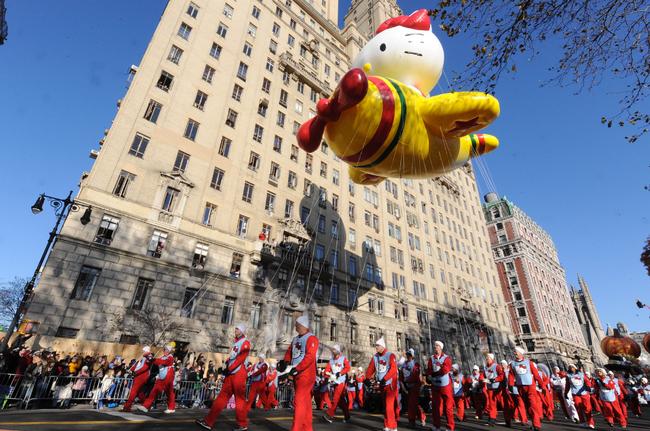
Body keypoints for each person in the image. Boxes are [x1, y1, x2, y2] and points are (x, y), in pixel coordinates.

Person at [195, 324, 250, 431]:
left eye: (238, 329)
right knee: (221, 398)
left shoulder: (245, 342)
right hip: (231, 374)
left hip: (239, 373)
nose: (235, 330)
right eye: (236, 328)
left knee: (239, 399)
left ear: (242, 331)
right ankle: (208, 421)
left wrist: (230, 368)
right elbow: (233, 358)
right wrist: (226, 366)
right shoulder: (236, 343)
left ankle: (242, 424)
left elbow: (241, 358)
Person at [278, 315, 319, 431]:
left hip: (306, 374)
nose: (295, 327)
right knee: (305, 403)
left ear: (303, 325)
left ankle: (296, 428)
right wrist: (285, 362)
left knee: (299, 401)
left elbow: (310, 357)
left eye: (297, 325)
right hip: (297, 373)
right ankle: (307, 428)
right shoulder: (295, 339)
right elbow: (290, 351)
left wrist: (298, 368)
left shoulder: (312, 338)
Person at [508, 347, 544, 431]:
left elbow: (536, 374)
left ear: (521, 353)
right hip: (520, 387)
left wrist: (541, 385)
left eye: (516, 352)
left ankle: (537, 425)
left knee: (533, 405)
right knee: (528, 407)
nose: (515, 353)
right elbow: (511, 375)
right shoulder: (512, 364)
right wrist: (510, 385)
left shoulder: (529, 362)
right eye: (514, 352)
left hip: (530, 386)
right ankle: (534, 423)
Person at [366, 337, 398, 431]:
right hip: (382, 384)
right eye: (375, 345)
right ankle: (390, 425)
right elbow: (370, 368)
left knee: (389, 406)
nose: (376, 347)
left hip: (390, 384)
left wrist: (385, 378)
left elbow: (393, 369)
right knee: (385, 406)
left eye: (377, 345)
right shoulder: (375, 357)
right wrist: (367, 378)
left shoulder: (390, 355)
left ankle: (391, 426)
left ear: (382, 346)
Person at [137, 344, 176, 414]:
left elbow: (162, 362)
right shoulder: (163, 357)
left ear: (169, 351)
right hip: (162, 376)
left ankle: (171, 407)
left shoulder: (170, 358)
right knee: (156, 391)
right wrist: (150, 358)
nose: (165, 351)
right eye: (164, 350)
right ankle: (146, 406)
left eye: (167, 350)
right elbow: (157, 362)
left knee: (168, 392)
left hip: (168, 377)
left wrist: (153, 359)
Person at [427, 341, 455, 431]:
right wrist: (429, 375)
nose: (435, 347)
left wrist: (434, 374)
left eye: (437, 346)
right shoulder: (431, 358)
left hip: (445, 386)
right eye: (435, 346)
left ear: (441, 347)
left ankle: (450, 427)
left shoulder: (446, 358)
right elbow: (429, 369)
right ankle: (436, 426)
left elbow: (445, 370)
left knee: (448, 407)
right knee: (435, 406)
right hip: (435, 385)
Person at [322, 344, 351, 423]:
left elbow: (347, 368)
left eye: (334, 349)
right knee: (341, 401)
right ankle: (347, 416)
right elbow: (327, 370)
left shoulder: (343, 358)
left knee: (335, 398)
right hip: (334, 382)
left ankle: (329, 415)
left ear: (338, 351)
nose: (333, 351)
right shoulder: (331, 360)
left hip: (341, 381)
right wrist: (327, 375)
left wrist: (340, 373)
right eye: (333, 349)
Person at [122, 346, 153, 412]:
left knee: (133, 392)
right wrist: (130, 370)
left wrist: (134, 372)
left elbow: (143, 367)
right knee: (140, 393)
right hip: (139, 376)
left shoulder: (147, 357)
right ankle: (147, 405)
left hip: (140, 377)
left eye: (143, 351)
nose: (142, 352)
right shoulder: (143, 358)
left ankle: (127, 407)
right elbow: (137, 365)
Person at [401, 348, 426, 428]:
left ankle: (412, 421)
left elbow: (415, 375)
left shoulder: (415, 364)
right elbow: (401, 374)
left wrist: (407, 380)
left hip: (415, 386)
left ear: (412, 356)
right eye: (407, 355)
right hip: (406, 386)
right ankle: (421, 417)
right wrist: (402, 384)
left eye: (410, 355)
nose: (408, 356)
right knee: (413, 404)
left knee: (411, 404)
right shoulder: (404, 364)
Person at [564, 363, 594, 429]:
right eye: (569, 367)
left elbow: (587, 381)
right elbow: (567, 385)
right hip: (575, 394)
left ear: (575, 368)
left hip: (584, 393)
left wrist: (588, 386)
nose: (571, 368)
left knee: (587, 408)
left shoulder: (581, 374)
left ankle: (590, 423)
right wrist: (565, 393)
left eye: (572, 367)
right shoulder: (568, 376)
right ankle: (582, 422)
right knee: (578, 407)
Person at [483, 353, 504, 426]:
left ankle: (509, 416)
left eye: (488, 358)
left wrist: (495, 380)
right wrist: (482, 379)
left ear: (492, 359)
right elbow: (482, 375)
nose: (486, 359)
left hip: (497, 387)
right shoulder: (485, 367)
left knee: (502, 403)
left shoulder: (497, 366)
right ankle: (492, 418)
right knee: (492, 403)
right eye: (486, 358)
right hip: (490, 388)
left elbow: (502, 375)